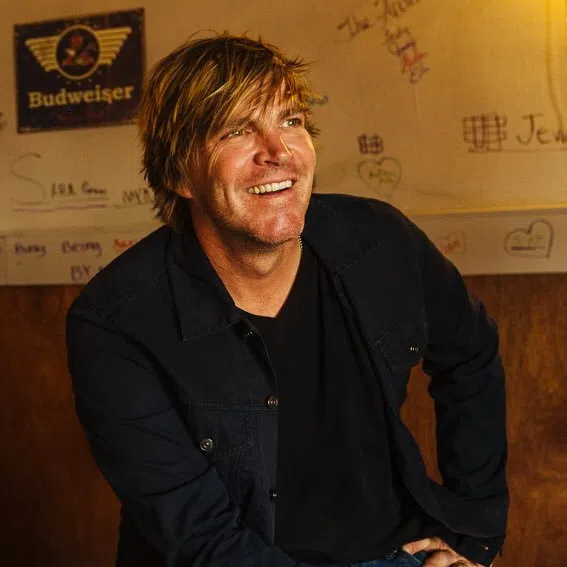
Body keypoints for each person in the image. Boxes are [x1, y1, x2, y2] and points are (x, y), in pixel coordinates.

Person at [66, 33, 508, 567]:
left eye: (291, 120)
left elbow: (471, 356)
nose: (278, 152)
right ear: (181, 173)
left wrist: (475, 536)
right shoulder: (116, 322)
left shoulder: (379, 241)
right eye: (235, 130)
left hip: (401, 551)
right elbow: (203, 540)